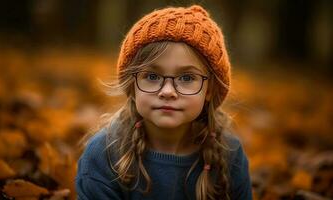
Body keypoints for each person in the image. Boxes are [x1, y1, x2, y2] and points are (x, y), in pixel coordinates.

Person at [76, 4, 252, 200]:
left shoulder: (229, 155)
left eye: (186, 78)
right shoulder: (104, 154)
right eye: (152, 76)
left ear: (209, 89)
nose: (167, 91)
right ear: (132, 84)